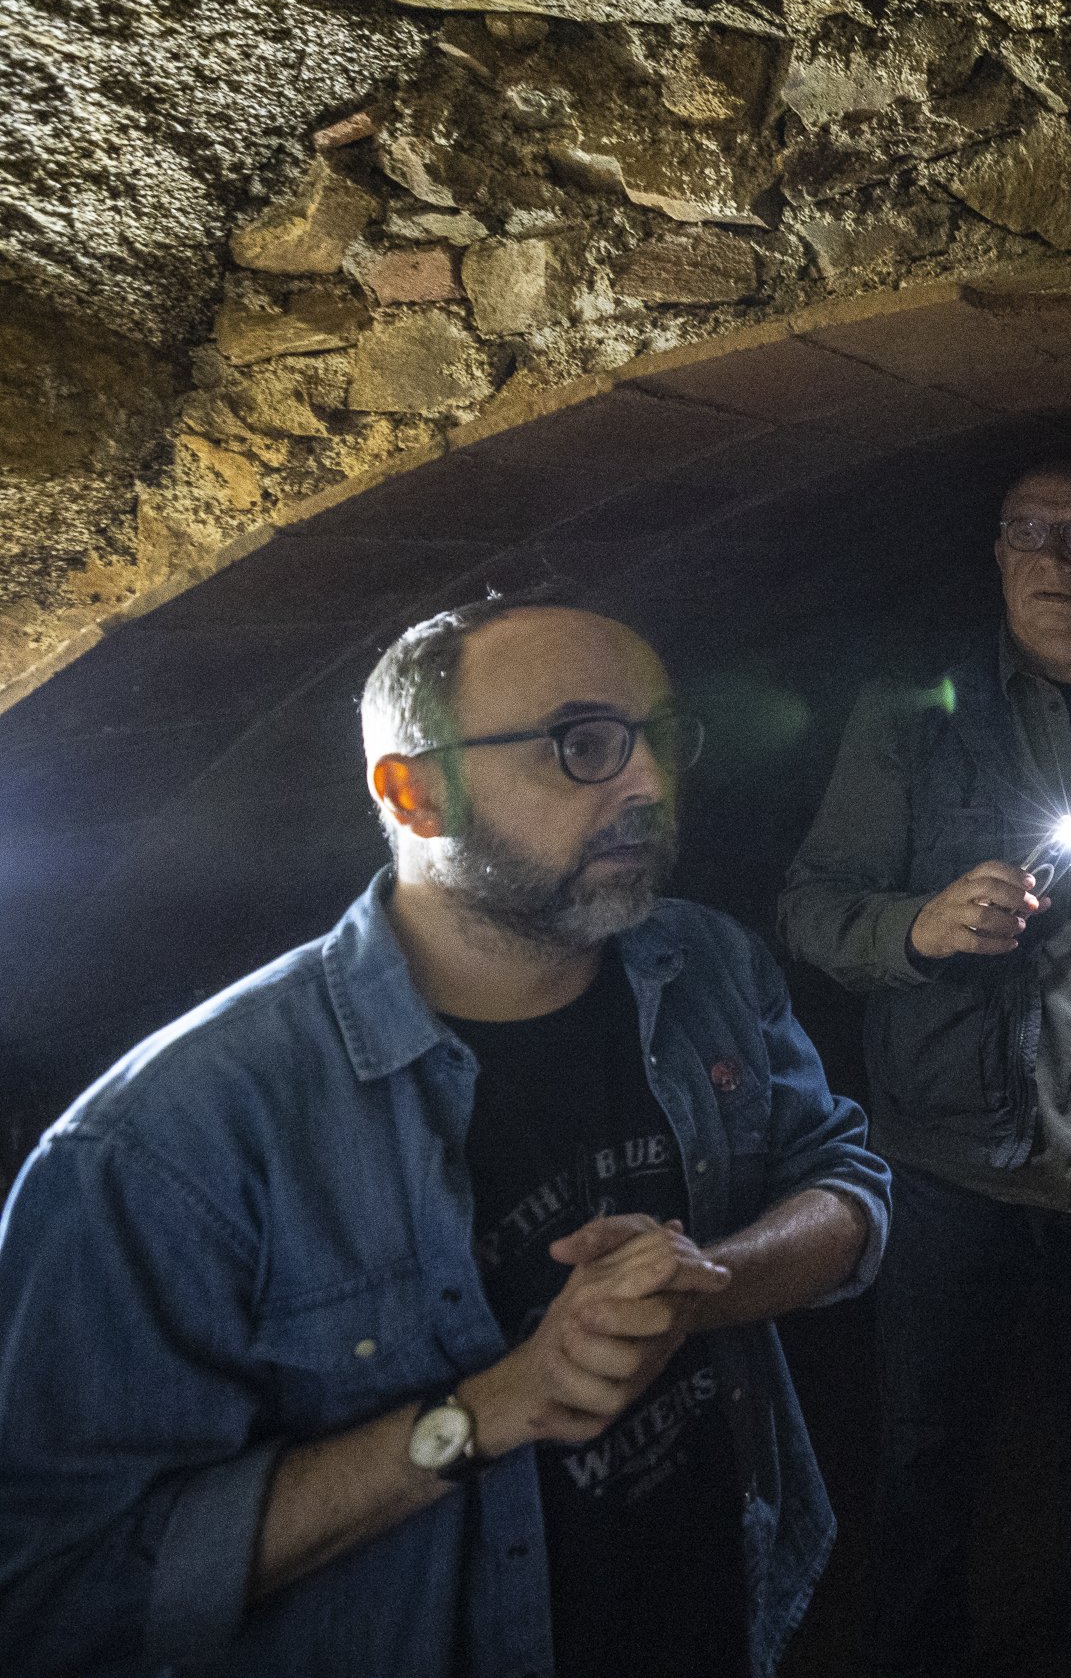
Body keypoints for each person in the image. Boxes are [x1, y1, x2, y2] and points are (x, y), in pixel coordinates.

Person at [0, 599, 891, 1677]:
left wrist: (708, 1286)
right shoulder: (169, 1140)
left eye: (659, 733)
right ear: (415, 793)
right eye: (584, 744)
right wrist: (489, 1410)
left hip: (720, 1610)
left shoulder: (701, 962)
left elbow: (842, 1174)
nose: (649, 783)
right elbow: (60, 1590)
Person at [779, 458, 1071, 1678]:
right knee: (930, 1443)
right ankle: (915, 1651)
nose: (1051, 559)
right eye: (1025, 533)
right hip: (953, 1158)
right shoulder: (913, 714)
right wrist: (919, 928)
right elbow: (814, 907)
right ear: (994, 556)